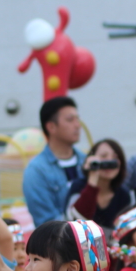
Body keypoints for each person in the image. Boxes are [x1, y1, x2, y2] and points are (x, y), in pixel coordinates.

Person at [23, 96, 88, 225]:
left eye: (77, 119)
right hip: (60, 242)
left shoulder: (87, 161)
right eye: (70, 119)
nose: (77, 125)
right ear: (51, 127)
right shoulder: (36, 170)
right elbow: (46, 223)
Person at [67, 138, 132, 228]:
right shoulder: (78, 186)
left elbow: (123, 230)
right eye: (103, 156)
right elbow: (76, 220)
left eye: (115, 158)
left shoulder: (123, 195)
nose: (109, 161)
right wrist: (93, 177)